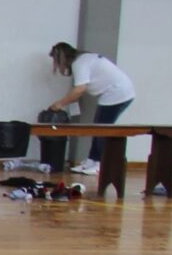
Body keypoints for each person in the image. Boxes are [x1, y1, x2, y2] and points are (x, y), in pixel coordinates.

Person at [48, 41, 136, 175]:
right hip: (116, 93)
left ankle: (100, 163)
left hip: (117, 93)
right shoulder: (85, 59)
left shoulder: (80, 63)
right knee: (97, 127)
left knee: (102, 129)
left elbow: (79, 89)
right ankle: (92, 160)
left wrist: (60, 104)